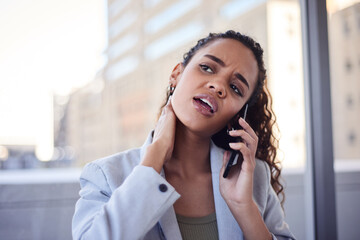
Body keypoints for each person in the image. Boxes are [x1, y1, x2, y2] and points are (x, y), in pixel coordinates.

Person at [72, 30, 295, 240]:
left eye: (236, 88)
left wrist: (244, 208)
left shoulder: (255, 178)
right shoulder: (106, 176)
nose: (218, 86)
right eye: (207, 68)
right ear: (176, 75)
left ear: (238, 114)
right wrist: (154, 158)